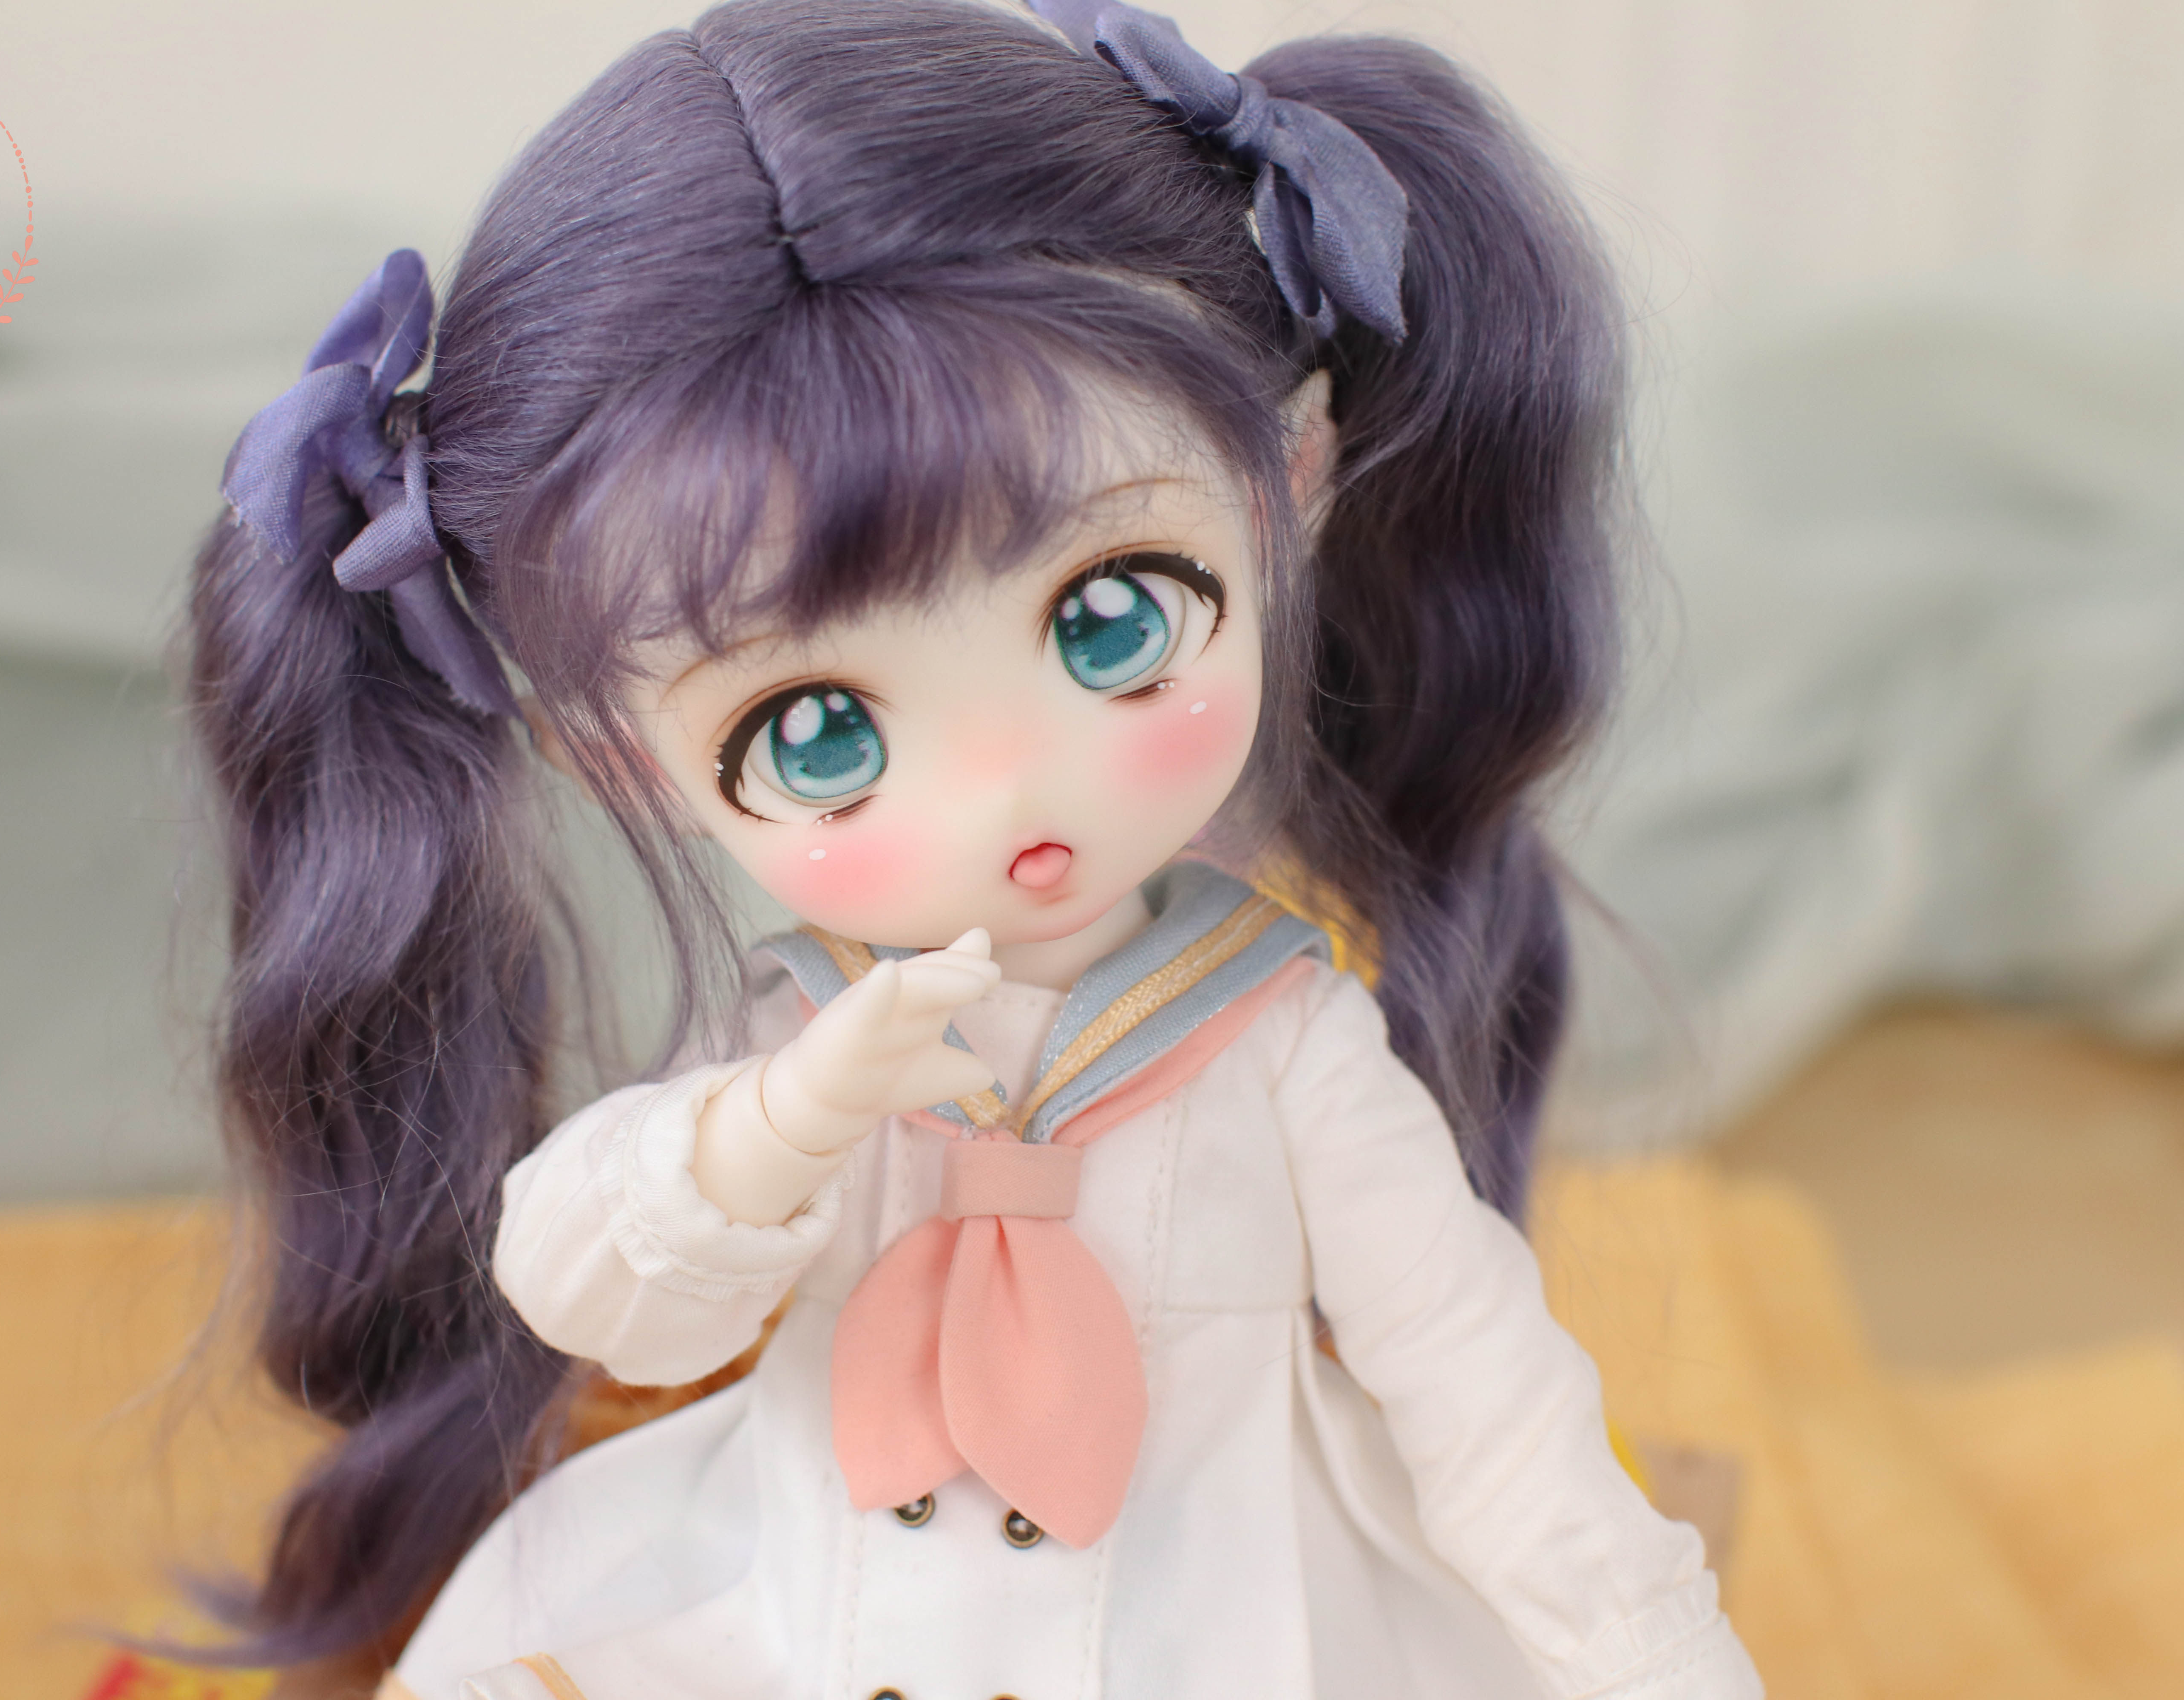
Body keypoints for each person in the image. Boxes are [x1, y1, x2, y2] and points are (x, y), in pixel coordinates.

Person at [188, 2, 1763, 1695]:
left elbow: (1480, 1387)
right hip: (785, 1622)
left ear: (1289, 483)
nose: (1012, 791)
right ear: (614, 756)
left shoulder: (1292, 1050)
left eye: (1111, 620)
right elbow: (606, 1296)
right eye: (820, 735)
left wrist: (1653, 1654)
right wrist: (775, 1130)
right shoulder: (795, 1047)